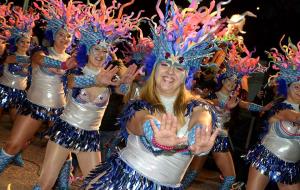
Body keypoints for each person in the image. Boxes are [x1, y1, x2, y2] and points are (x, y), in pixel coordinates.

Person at [81, 0, 224, 189]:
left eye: (179, 67)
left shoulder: (199, 107)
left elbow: (202, 120)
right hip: (124, 182)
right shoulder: (140, 105)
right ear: (154, 68)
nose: (170, 71)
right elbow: (141, 121)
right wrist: (155, 134)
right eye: (165, 64)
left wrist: (197, 136)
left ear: (186, 75)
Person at [32, 1, 142, 188]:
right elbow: (73, 83)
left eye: (105, 50)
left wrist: (126, 84)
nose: (101, 54)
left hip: (90, 137)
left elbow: (121, 93)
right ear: (87, 50)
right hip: (65, 131)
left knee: (96, 184)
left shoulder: (110, 75)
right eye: (97, 49)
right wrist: (97, 81)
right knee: (46, 183)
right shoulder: (77, 70)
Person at [0, 2, 82, 188]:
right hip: (34, 106)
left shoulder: (72, 60)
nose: (65, 38)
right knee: (13, 145)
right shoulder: (39, 52)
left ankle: (63, 186)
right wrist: (63, 66)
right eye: (61, 34)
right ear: (54, 35)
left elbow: (73, 84)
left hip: (60, 110)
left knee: (64, 154)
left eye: (69, 36)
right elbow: (40, 61)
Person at [182, 44, 268, 189]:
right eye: (229, 80)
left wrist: (265, 107)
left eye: (235, 82)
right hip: (206, 136)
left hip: (221, 139)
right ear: (223, 80)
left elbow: (247, 105)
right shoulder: (212, 96)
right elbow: (209, 102)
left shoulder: (234, 100)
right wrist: (222, 104)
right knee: (192, 174)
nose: (232, 83)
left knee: (230, 178)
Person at [245, 38, 300, 190]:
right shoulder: (281, 108)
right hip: (266, 158)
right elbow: (295, 118)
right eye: (296, 87)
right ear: (286, 88)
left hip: (290, 166)